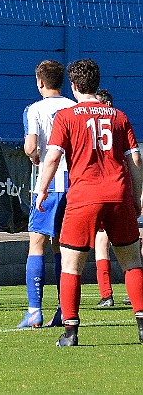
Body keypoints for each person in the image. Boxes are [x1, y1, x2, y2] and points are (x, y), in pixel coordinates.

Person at [37, 58, 143, 346]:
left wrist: (42, 190)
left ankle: (71, 331)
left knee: (71, 264)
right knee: (132, 262)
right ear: (97, 84)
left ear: (73, 86)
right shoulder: (118, 116)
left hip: (84, 197)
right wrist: (136, 197)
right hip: (118, 194)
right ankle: (142, 325)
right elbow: (134, 159)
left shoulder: (67, 117)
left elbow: (54, 157)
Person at [16, 61, 75, 328]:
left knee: (37, 243)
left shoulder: (36, 109)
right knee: (64, 246)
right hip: (74, 182)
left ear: (40, 82)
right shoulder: (74, 107)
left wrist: (35, 156)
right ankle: (65, 309)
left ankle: (34, 310)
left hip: (50, 183)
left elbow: (31, 147)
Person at [91, 88, 123, 308]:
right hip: (121, 189)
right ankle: (134, 291)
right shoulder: (121, 121)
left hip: (100, 190)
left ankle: (107, 294)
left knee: (101, 243)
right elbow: (134, 158)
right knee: (129, 247)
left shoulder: (91, 127)